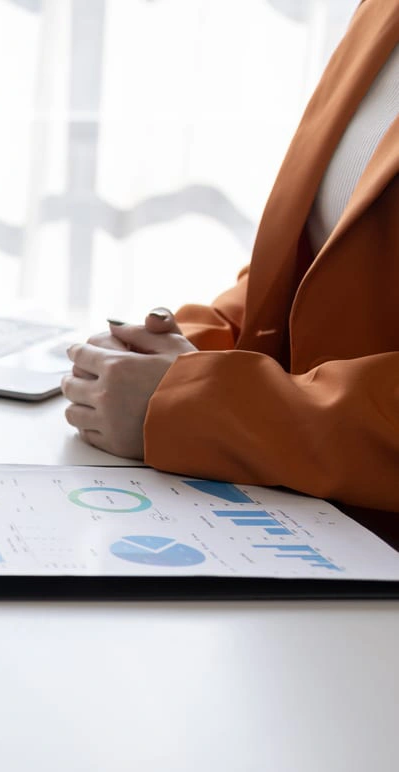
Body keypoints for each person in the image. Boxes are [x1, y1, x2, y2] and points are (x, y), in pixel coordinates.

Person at [61, 0, 399, 516]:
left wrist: (196, 402)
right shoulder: (380, 13)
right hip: (307, 509)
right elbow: (319, 262)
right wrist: (184, 348)